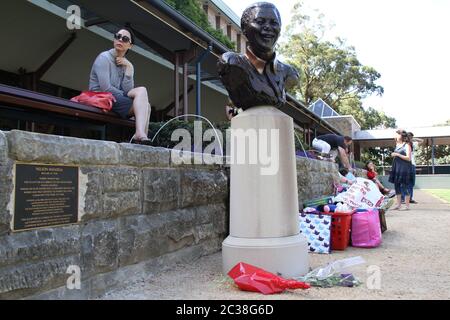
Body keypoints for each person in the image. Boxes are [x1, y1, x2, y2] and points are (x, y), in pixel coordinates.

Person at [217, 2, 299, 110]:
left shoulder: (289, 73)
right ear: (244, 28)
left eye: (274, 23)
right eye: (260, 22)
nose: (268, 27)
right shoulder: (232, 63)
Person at [89, 27, 151, 144]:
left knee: (143, 95)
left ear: (130, 45)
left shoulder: (125, 63)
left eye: (125, 38)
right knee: (144, 106)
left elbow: (127, 89)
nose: (120, 40)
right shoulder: (104, 58)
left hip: (114, 99)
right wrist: (126, 95)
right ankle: (140, 136)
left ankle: (141, 136)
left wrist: (129, 68)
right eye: (118, 36)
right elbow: (105, 88)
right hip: (101, 97)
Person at [388, 129, 412, 210]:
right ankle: (398, 205)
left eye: (397, 134)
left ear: (401, 136)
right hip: (396, 168)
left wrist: (397, 154)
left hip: (404, 169)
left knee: (405, 186)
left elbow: (408, 158)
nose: (395, 136)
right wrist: (394, 155)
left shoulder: (407, 145)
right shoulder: (397, 145)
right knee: (397, 186)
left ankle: (407, 206)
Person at [401, 132, 423, 204]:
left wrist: (413, 139)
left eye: (411, 137)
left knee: (411, 183)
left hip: (412, 165)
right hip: (405, 165)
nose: (410, 138)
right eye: (409, 136)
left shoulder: (412, 144)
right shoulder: (402, 144)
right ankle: (403, 199)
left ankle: (410, 199)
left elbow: (421, 141)